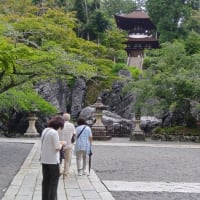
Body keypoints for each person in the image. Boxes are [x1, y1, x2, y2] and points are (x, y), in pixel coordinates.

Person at [40, 115, 65, 200]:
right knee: (54, 183)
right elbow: (57, 148)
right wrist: (62, 144)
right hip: (53, 161)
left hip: (44, 160)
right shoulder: (54, 133)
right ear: (59, 125)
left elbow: (48, 143)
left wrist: (58, 143)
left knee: (46, 181)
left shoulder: (45, 130)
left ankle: (45, 198)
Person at [60, 113, 76, 179]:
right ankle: (65, 174)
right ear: (69, 118)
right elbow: (74, 134)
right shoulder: (71, 125)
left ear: (63, 118)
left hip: (60, 144)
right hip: (68, 144)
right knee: (67, 160)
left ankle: (59, 170)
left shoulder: (59, 124)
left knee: (59, 158)